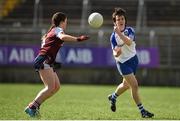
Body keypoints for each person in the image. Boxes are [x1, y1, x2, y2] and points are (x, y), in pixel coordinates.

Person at [24, 12, 89, 117]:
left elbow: (49, 48)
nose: (66, 24)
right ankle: (32, 107)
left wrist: (53, 61)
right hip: (44, 60)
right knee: (50, 87)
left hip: (46, 60)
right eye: (66, 21)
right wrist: (78, 39)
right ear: (62, 21)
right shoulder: (58, 30)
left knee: (56, 87)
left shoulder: (52, 31)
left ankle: (34, 105)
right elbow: (62, 37)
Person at [108, 8, 154, 118]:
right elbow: (114, 53)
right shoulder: (113, 37)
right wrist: (116, 54)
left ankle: (113, 97)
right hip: (122, 63)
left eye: (122, 18)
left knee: (126, 85)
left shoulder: (130, 30)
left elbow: (128, 42)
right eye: (118, 19)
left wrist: (119, 32)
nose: (120, 21)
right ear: (115, 22)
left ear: (125, 20)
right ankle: (142, 111)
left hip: (133, 60)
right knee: (134, 85)